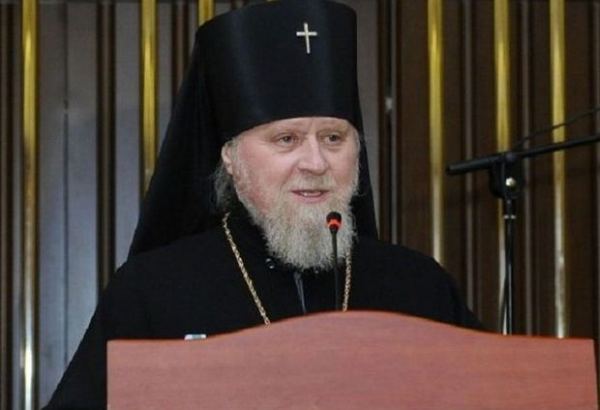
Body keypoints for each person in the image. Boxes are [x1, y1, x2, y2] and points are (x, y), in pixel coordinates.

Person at [44, 0, 481, 408]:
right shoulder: (152, 292)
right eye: (286, 139)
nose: (315, 162)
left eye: (333, 138)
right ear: (231, 159)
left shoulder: (420, 287)